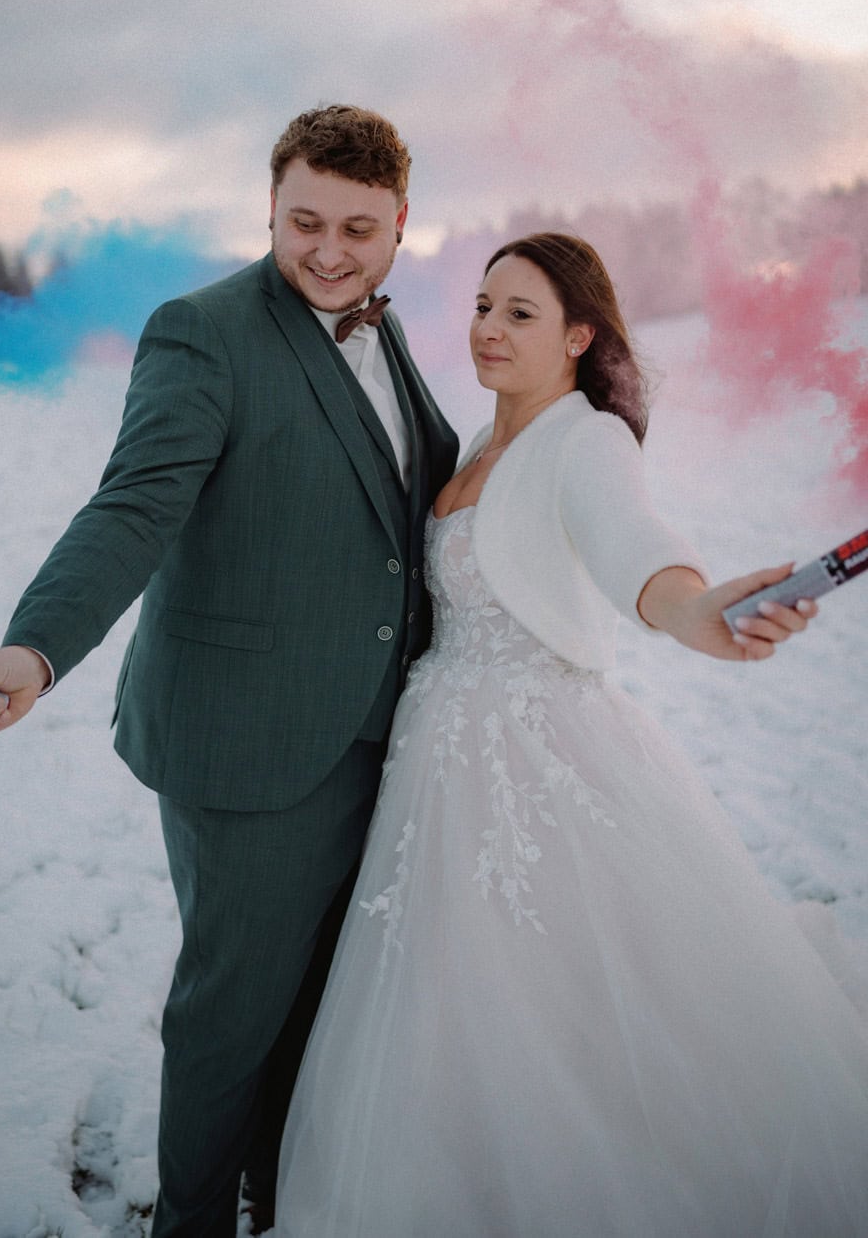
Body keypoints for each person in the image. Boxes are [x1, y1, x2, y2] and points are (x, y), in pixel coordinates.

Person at [0, 105, 460, 1238]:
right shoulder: (201, 331)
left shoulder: (385, 328)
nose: (326, 250)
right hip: (246, 737)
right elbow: (134, 505)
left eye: (357, 229)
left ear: (401, 224)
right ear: (268, 208)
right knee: (232, 1014)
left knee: (320, 998)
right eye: (303, 221)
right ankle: (197, 1221)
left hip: (378, 727)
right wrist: (37, 645)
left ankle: (280, 1197)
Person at [274, 233, 868, 1237]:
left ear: (578, 335)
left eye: (520, 313)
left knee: (568, 1004)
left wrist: (695, 610)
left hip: (534, 752)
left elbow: (637, 547)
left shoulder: (583, 438)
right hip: (438, 752)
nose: (487, 329)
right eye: (480, 305)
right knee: (447, 1008)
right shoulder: (475, 444)